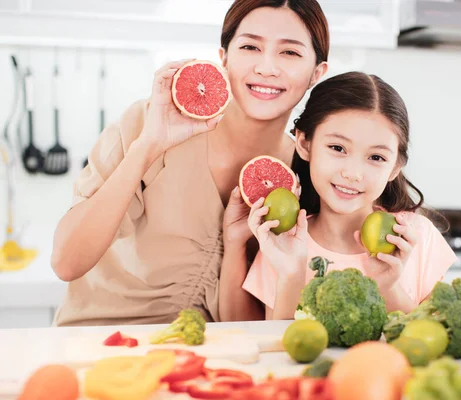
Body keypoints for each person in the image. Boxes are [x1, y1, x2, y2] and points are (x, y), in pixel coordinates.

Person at [50, 0, 329, 326]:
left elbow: (250, 323)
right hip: (100, 347)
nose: (267, 67)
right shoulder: (148, 122)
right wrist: (149, 146)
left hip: (208, 361)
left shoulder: (306, 172)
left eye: (290, 53)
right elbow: (66, 263)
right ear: (224, 57)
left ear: (317, 73)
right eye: (250, 46)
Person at [241, 71, 457, 320]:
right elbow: (281, 351)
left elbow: (432, 342)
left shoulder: (416, 236)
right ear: (304, 143)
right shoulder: (281, 243)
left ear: (395, 167)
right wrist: (291, 274)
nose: (353, 173)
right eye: (337, 148)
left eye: (376, 157)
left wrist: (388, 287)